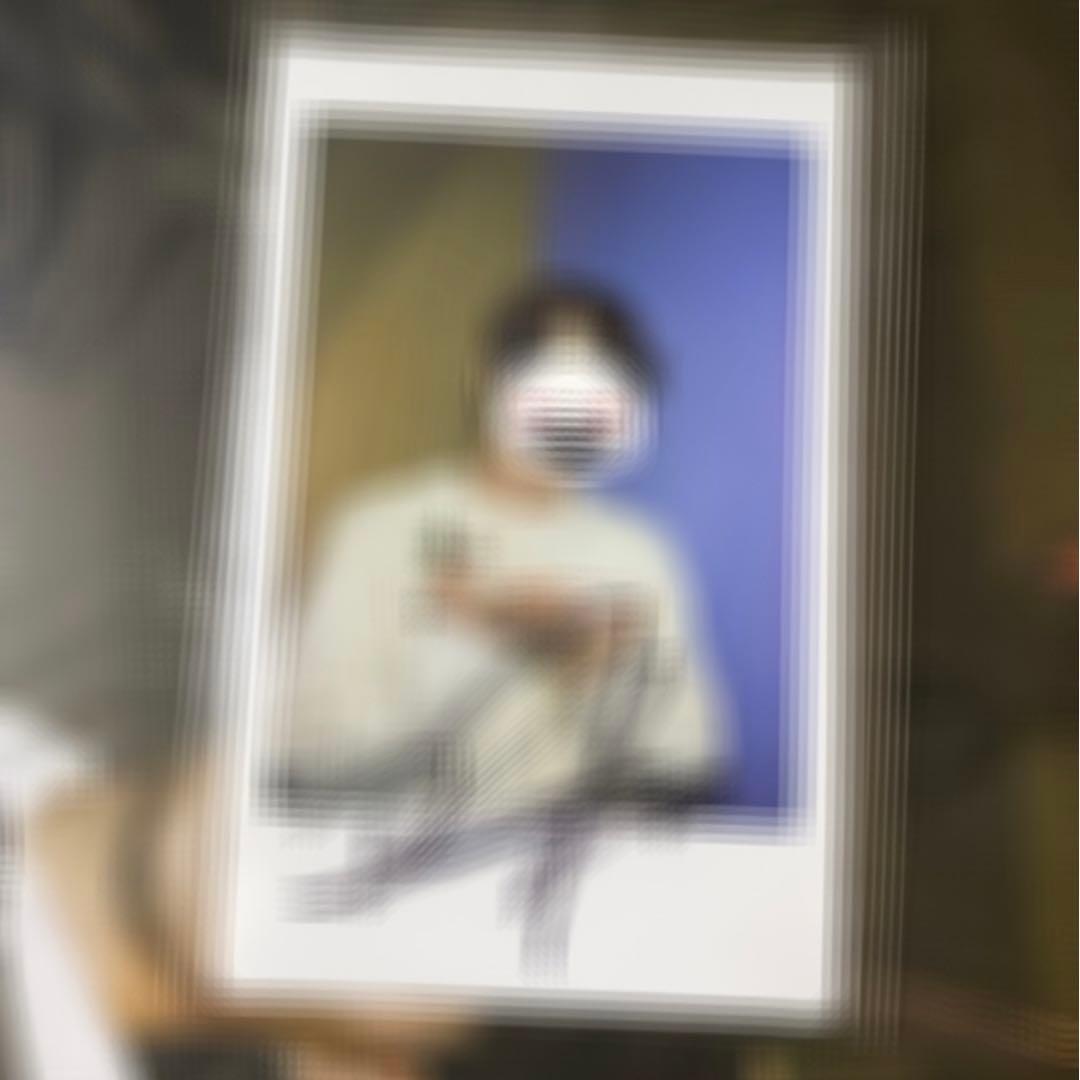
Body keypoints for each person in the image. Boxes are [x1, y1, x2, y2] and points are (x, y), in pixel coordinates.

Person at [282, 281, 732, 827]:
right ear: (487, 375)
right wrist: (487, 647)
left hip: (577, 859)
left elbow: (688, 763)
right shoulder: (377, 526)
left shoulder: (641, 550)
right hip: (403, 855)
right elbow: (312, 752)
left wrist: (589, 665)